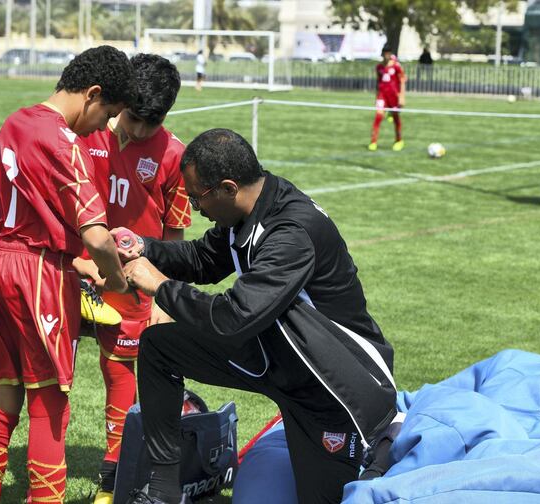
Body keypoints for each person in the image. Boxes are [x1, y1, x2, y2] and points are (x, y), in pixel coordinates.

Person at [115, 128, 401, 504]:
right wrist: (144, 246)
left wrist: (161, 287)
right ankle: (162, 490)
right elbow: (203, 259)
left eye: (197, 198)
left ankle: (381, 444)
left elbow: (234, 317)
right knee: (159, 347)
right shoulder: (251, 208)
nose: (196, 210)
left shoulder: (291, 232)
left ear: (228, 188)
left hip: (334, 386)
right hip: (276, 356)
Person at [0, 45, 137, 504]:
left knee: (3, 393)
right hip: (37, 274)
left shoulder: (17, 120)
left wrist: (78, 263)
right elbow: (99, 237)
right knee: (49, 406)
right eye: (109, 114)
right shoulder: (63, 139)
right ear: (93, 94)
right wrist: (117, 282)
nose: (105, 126)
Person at [77, 53, 191, 504]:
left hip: (131, 283)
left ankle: (114, 473)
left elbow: (177, 237)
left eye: (152, 122)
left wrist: (162, 299)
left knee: (119, 370)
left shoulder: (174, 156)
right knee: (54, 371)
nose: (139, 130)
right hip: (78, 270)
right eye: (133, 117)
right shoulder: (88, 132)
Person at [369, 46, 405, 152]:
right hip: (382, 96)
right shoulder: (379, 67)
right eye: (385, 53)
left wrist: (402, 97)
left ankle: (399, 140)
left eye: (388, 53)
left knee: (396, 118)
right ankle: (373, 141)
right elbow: (378, 82)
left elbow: (402, 80)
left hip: (393, 96)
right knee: (378, 117)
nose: (386, 56)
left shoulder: (396, 66)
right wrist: (377, 96)